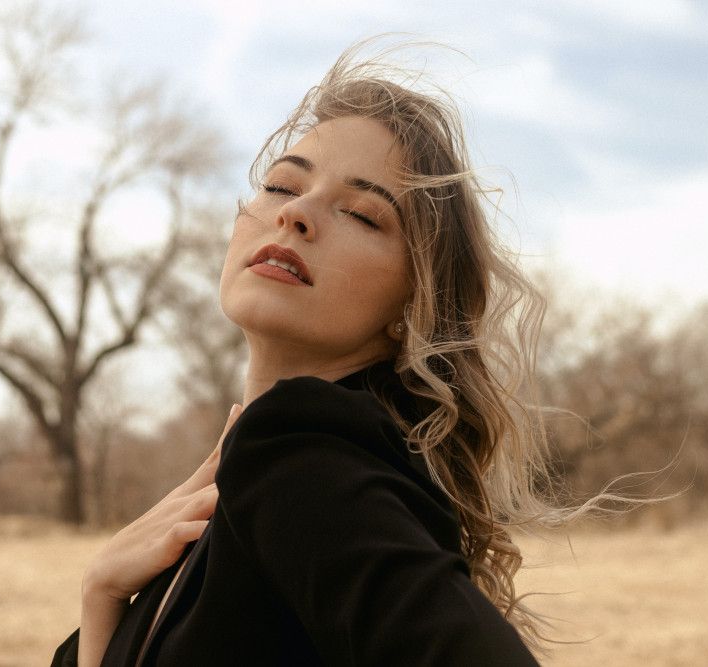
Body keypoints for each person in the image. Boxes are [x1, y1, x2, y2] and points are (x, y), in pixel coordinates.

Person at [53, 42, 557, 666]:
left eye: (362, 214)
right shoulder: (265, 472)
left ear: (413, 305)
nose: (295, 213)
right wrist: (102, 594)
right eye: (280, 184)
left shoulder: (300, 452)